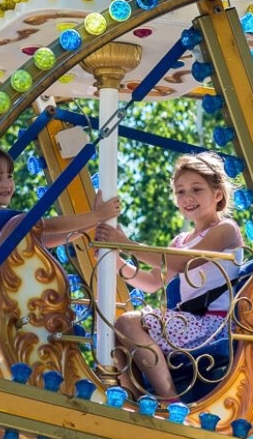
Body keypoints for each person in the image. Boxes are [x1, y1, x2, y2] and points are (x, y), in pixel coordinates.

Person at [97, 152, 244, 399]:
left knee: (127, 322)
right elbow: (153, 282)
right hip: (188, 323)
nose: (188, 198)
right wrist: (115, 259)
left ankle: (169, 399)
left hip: (212, 324)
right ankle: (131, 398)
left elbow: (182, 262)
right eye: (180, 191)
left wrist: (125, 243)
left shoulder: (225, 229)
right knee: (111, 331)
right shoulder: (181, 240)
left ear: (217, 194)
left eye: (197, 190)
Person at [0, 147, 119, 246]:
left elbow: (46, 239)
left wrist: (94, 221)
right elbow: (48, 226)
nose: (7, 184)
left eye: (10, 176)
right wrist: (96, 215)